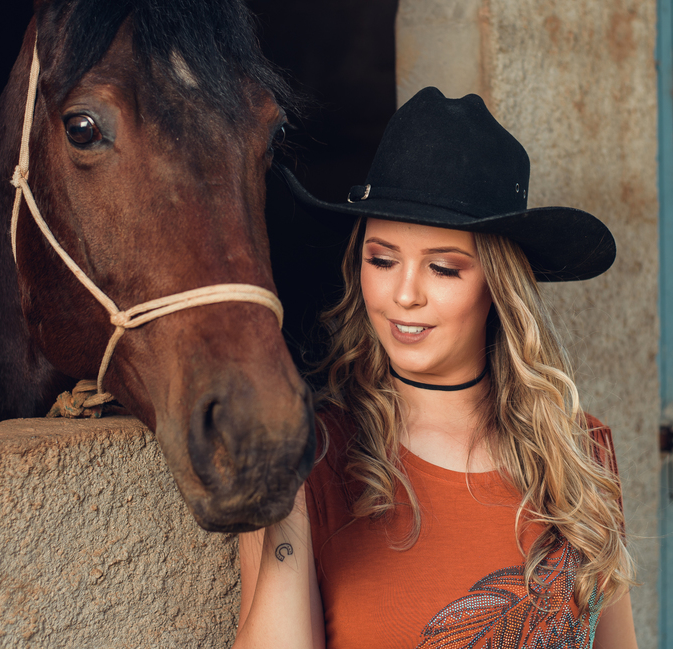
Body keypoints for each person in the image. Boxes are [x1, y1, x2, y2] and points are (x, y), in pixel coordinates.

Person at [236, 88, 638, 649]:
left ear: (499, 288)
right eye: (382, 259)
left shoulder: (580, 453)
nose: (404, 295)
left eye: (443, 269)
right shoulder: (311, 458)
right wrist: (286, 503)